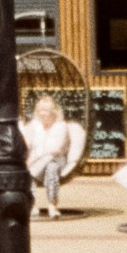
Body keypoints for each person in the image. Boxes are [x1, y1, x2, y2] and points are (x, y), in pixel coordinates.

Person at [22, 91, 80, 219]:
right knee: (28, 172)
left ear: (53, 111)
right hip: (36, 162)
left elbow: (56, 149)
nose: (43, 113)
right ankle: (32, 204)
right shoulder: (33, 125)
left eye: (46, 110)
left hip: (55, 160)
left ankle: (52, 204)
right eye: (40, 110)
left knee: (51, 167)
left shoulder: (61, 126)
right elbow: (26, 143)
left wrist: (36, 157)